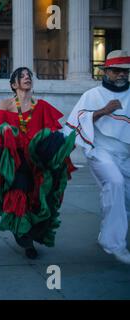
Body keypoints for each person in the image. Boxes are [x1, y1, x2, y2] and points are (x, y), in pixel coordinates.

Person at [0, 67, 76, 259]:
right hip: (14, 157)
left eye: (29, 76)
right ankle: (23, 235)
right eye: (22, 76)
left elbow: (53, 132)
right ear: (13, 84)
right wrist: (5, 129)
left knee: (37, 197)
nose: (27, 78)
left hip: (36, 160)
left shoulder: (42, 106)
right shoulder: (5, 103)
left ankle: (31, 232)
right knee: (18, 190)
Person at [63, 50, 130, 264]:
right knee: (115, 182)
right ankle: (114, 244)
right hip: (100, 151)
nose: (122, 75)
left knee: (122, 199)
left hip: (125, 154)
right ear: (107, 71)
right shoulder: (92, 95)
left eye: (126, 71)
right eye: (117, 70)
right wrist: (102, 111)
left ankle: (106, 234)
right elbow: (75, 123)